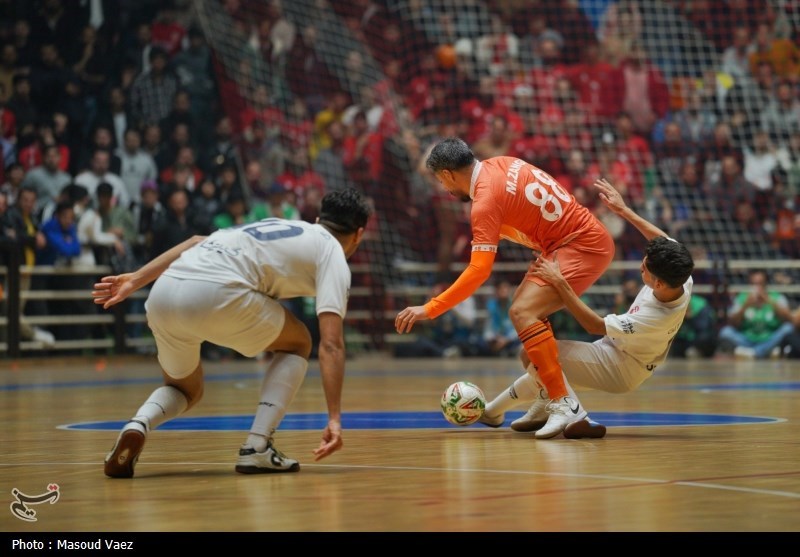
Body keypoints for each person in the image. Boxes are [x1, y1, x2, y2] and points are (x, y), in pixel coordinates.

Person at [93, 188, 372, 477]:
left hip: (165, 290)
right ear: (358, 234)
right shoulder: (333, 253)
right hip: (216, 292)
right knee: (299, 342)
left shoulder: (276, 225)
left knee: (184, 388)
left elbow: (195, 241)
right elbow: (331, 346)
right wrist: (335, 418)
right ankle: (257, 447)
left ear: (317, 219)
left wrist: (136, 279)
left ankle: (138, 423)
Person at [394, 137, 616, 439]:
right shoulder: (502, 162)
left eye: (441, 182)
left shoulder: (484, 200)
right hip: (573, 241)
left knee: (522, 311)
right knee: (526, 321)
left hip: (579, 245)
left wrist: (430, 308)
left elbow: (479, 271)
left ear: (447, 174)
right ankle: (546, 396)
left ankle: (564, 403)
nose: (445, 190)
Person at [480, 178, 695, 438]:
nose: (641, 265)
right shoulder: (681, 275)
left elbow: (593, 325)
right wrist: (623, 210)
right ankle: (496, 412)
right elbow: (663, 240)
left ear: (658, 283)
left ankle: (572, 410)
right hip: (617, 350)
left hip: (621, 367)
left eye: (645, 267)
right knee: (542, 363)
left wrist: (560, 282)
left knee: (533, 355)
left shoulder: (655, 317)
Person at [717, 269, 795, 359]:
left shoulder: (777, 297)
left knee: (788, 329)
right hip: (747, 338)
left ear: (766, 284)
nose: (757, 287)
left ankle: (754, 352)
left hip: (769, 337)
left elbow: (789, 319)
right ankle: (766, 351)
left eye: (760, 284)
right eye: (753, 284)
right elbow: (732, 322)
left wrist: (769, 302)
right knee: (725, 332)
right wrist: (745, 306)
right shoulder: (742, 298)